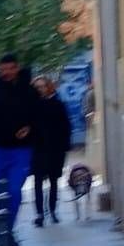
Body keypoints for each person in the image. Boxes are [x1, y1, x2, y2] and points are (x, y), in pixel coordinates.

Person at [0, 53, 41, 238]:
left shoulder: (29, 92)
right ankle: (2, 224)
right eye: (3, 69)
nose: (6, 72)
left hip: (21, 150)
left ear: (17, 68)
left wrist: (29, 128)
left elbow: (38, 115)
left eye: (10, 68)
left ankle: (8, 230)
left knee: (14, 190)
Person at [30, 75, 73, 225]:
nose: (41, 89)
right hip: (38, 148)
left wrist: (65, 146)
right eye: (38, 87)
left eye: (43, 86)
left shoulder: (58, 105)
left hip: (55, 149)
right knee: (37, 182)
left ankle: (53, 211)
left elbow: (66, 127)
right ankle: (40, 214)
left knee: (54, 181)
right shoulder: (31, 106)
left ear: (49, 87)